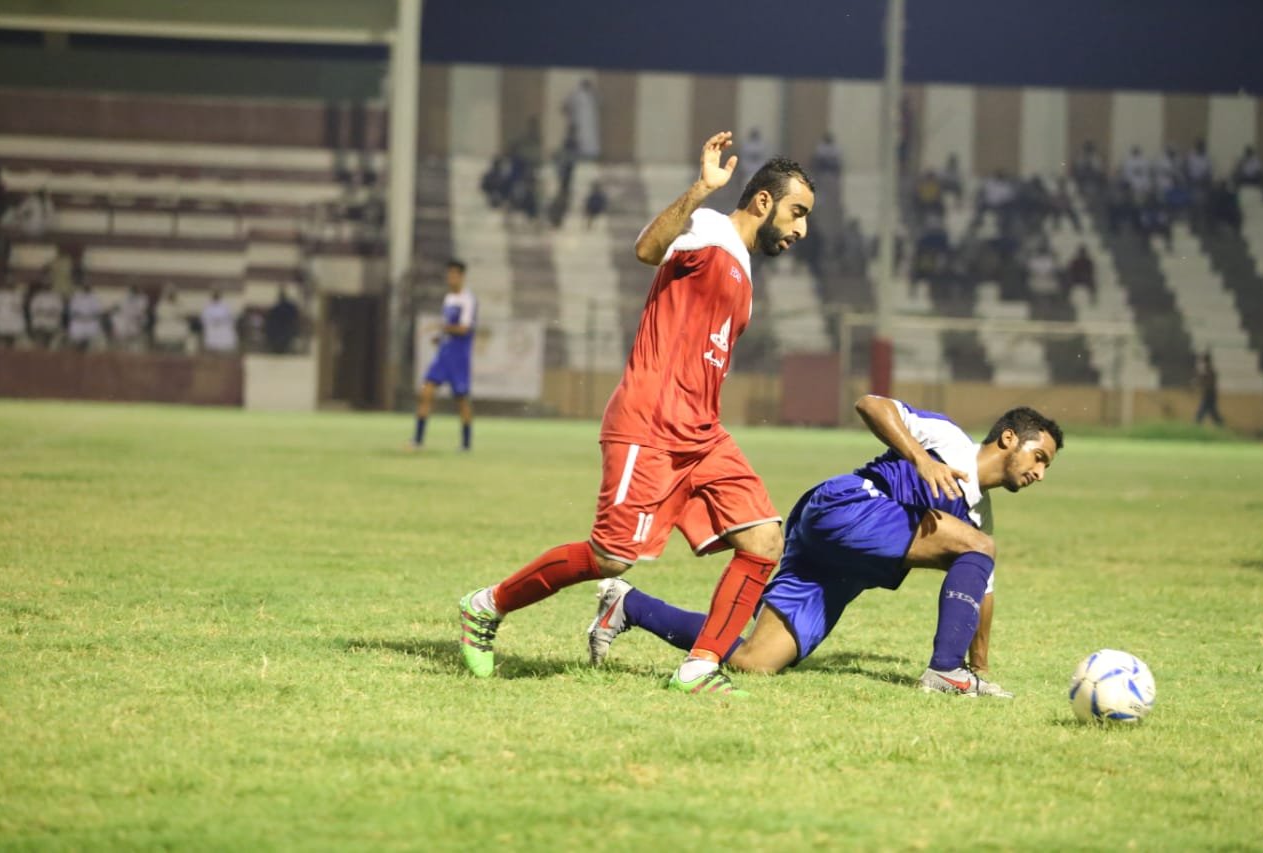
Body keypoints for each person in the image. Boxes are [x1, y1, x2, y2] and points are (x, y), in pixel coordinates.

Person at [457, 132, 815, 696]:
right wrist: (700, 190)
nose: (801, 230)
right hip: (650, 422)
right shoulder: (709, 230)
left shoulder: (743, 272)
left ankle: (699, 668)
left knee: (765, 540)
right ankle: (486, 606)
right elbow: (648, 250)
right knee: (610, 557)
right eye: (798, 213)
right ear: (764, 201)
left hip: (701, 432)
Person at [587, 396, 1064, 697]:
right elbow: (871, 404)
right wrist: (920, 458)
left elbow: (982, 597)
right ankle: (944, 672)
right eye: (1038, 457)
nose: (1040, 473)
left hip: (840, 563)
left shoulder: (978, 522)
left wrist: (982, 667)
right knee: (979, 547)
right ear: (1008, 439)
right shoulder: (950, 442)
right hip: (848, 507)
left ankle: (628, 605)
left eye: (1047, 466)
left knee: (757, 661)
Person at [412, 259, 476, 451]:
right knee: (426, 392)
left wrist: (440, 327)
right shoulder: (448, 299)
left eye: (455, 274)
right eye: (449, 274)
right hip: (444, 354)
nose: (451, 278)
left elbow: (464, 328)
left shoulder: (468, 300)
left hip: (459, 356)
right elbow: (449, 328)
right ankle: (418, 440)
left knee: (461, 400)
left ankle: (466, 444)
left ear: (462, 276)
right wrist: (440, 337)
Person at [66, 283, 105, 351]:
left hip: (90, 321)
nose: (86, 288)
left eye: (88, 287)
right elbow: (72, 310)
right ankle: (77, 347)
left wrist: (90, 316)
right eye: (85, 287)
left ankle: (87, 347)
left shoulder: (94, 298)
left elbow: (98, 311)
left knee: (92, 337)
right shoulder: (76, 297)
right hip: (78, 321)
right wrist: (80, 316)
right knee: (76, 337)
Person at [264, 287, 300, 354]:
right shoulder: (287, 308)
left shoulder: (278, 309)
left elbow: (270, 321)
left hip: (282, 333)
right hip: (283, 334)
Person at [1194, 352, 1224, 426]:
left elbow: (1208, 383)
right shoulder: (1207, 370)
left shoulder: (1209, 371)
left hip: (1209, 394)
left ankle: (1197, 424)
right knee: (1212, 411)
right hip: (1209, 393)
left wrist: (1200, 382)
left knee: (1203, 410)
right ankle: (1220, 423)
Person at [0, 282, 26, 347]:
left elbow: (19, 306)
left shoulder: (16, 295)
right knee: (2, 335)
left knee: (11, 336)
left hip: (12, 318)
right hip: (2, 317)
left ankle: (10, 345)